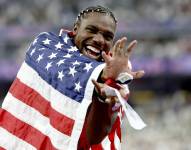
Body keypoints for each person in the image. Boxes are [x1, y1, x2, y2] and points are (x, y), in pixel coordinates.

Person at [0, 5, 144, 150]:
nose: (99, 40)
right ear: (75, 29)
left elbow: (94, 138)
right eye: (92, 30)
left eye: (108, 37)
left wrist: (102, 99)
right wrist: (103, 74)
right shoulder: (47, 45)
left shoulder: (115, 80)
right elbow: (67, 69)